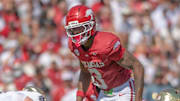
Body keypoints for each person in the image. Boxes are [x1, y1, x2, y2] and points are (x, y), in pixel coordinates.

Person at [65, 5, 144, 101]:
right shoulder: (74, 47)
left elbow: (137, 66)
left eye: (79, 28)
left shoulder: (106, 44)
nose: (75, 33)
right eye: (72, 29)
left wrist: (138, 99)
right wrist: (79, 99)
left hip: (123, 90)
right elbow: (85, 72)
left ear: (90, 25)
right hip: (104, 93)